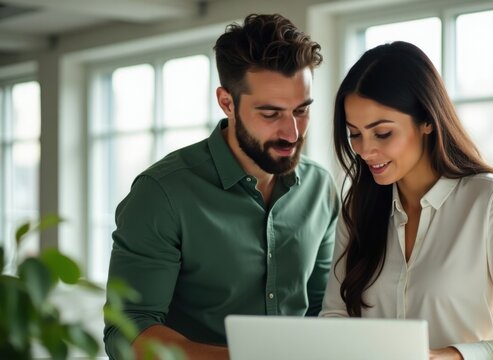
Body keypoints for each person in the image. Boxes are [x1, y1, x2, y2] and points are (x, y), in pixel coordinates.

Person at [104, 14, 339, 359]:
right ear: (227, 102)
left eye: (301, 111)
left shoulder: (320, 187)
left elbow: (323, 308)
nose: (292, 133)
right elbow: (128, 331)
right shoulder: (162, 193)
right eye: (270, 114)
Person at [319, 41, 493, 360]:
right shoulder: (358, 208)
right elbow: (334, 316)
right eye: (354, 133)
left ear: (427, 120)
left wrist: (453, 356)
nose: (364, 150)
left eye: (382, 133)